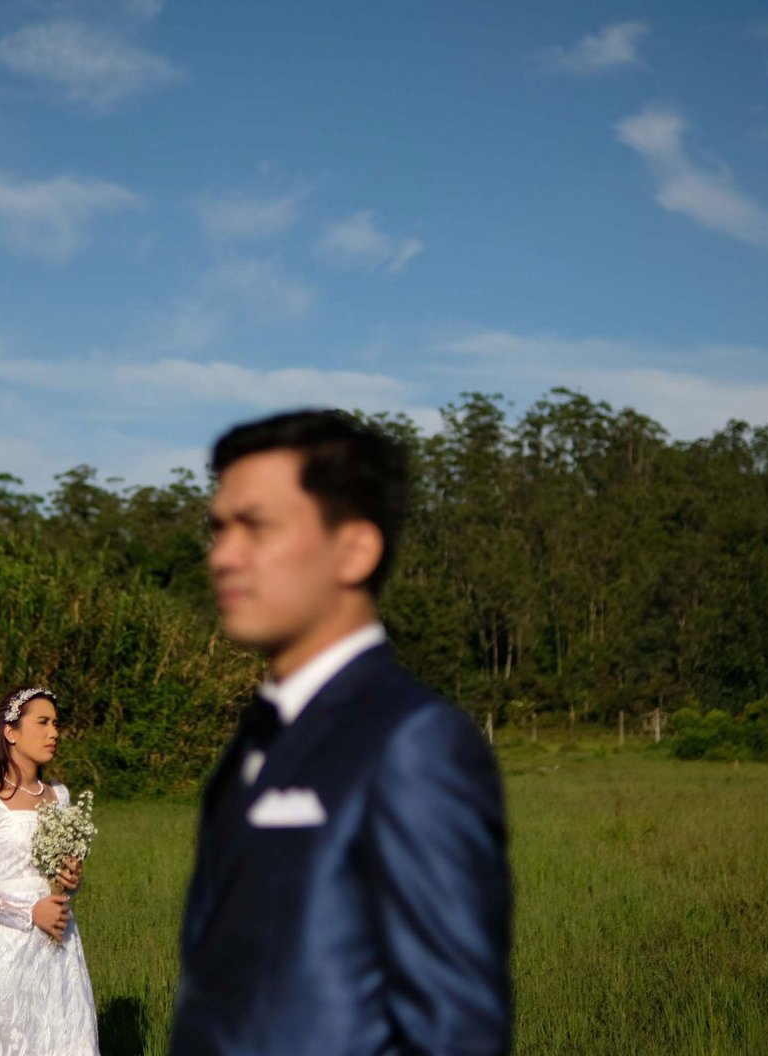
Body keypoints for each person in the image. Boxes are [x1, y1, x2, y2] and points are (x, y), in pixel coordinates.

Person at [172, 410, 513, 1055]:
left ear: (355, 550)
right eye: (217, 529)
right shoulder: (254, 738)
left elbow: (456, 1031)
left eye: (256, 527)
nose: (222, 556)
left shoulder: (413, 743)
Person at [0, 686, 97, 1056]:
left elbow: (61, 878)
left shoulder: (60, 795)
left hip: (61, 950)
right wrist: (30, 912)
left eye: (56, 724)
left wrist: (72, 880)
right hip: (8, 954)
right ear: (11, 732)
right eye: (43, 722)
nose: (54, 732)